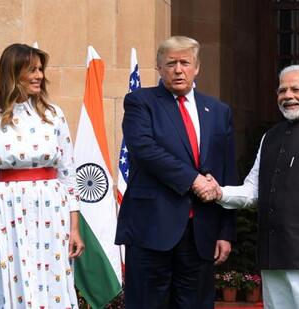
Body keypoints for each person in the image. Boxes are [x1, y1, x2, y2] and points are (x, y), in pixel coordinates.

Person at [198, 64, 299, 309]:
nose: (288, 95)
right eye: (282, 90)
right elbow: (253, 191)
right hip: (273, 259)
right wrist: (219, 192)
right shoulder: (270, 137)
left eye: (296, 89)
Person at [115, 35, 238, 308]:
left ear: (197, 67)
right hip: (152, 229)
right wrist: (193, 179)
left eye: (185, 62)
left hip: (201, 233)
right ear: (159, 67)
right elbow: (144, 150)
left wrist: (225, 231)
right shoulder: (140, 102)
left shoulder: (219, 111)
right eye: (171, 63)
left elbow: (228, 172)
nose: (178, 69)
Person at [0, 43, 85, 309]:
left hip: (52, 209)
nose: (39, 76)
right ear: (13, 73)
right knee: (10, 282)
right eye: (31, 70)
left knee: (54, 282)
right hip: (7, 211)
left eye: (41, 69)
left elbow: (68, 175)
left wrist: (74, 227)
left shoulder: (55, 115)